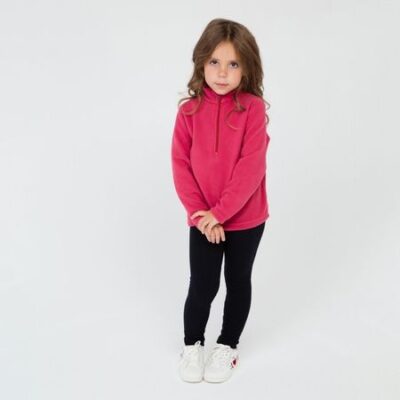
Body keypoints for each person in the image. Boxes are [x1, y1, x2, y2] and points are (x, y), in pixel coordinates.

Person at [171, 18, 271, 383]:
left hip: (245, 218)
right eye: (214, 62)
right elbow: (180, 165)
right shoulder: (188, 111)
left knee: (237, 280)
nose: (223, 72)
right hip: (203, 220)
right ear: (201, 62)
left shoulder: (253, 109)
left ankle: (228, 345)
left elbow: (251, 167)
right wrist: (203, 217)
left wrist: (220, 213)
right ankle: (192, 344)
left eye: (233, 64)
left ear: (247, 67)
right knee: (202, 284)